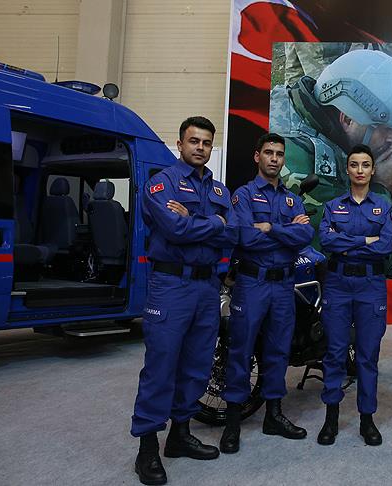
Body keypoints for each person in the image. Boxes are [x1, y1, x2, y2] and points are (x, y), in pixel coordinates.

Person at [131, 116, 236, 485]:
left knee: (198, 364)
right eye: (194, 141)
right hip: (171, 285)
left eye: (206, 142)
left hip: (207, 287)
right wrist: (215, 224)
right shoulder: (161, 183)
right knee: (161, 364)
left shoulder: (220, 190)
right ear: (180, 144)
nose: (200, 148)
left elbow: (233, 233)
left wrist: (196, 220)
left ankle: (179, 435)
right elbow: (174, 229)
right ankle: (147, 447)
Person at [219, 133, 314, 454]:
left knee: (278, 351)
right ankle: (233, 422)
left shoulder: (291, 200)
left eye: (279, 154)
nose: (275, 158)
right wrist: (288, 232)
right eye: (269, 152)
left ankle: (273, 415)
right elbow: (246, 238)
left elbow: (305, 235)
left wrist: (271, 228)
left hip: (284, 285)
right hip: (252, 284)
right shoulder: (244, 195)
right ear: (257, 156)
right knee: (241, 350)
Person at [269, 48, 392, 231]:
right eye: (386, 129)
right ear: (348, 119)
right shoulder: (295, 160)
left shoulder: (312, 113)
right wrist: (382, 187)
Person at [316, 144, 392, 446]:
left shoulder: (383, 207)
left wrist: (347, 242)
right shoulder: (333, 206)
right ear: (347, 169)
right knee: (335, 353)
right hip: (338, 284)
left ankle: (367, 418)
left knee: (367, 355)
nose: (360, 170)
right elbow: (327, 241)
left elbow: (385, 246)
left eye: (365, 165)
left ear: (372, 170)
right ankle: (331, 417)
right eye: (354, 165)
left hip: (370, 285)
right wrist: (365, 240)